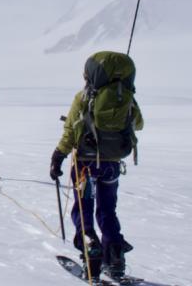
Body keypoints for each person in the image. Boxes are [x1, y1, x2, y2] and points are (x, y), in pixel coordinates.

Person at [49, 51, 144, 281]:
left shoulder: (84, 97)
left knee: (83, 209)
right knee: (107, 210)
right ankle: (115, 258)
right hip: (111, 164)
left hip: (85, 164)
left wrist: (58, 156)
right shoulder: (128, 99)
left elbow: (70, 131)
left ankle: (91, 251)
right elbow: (139, 124)